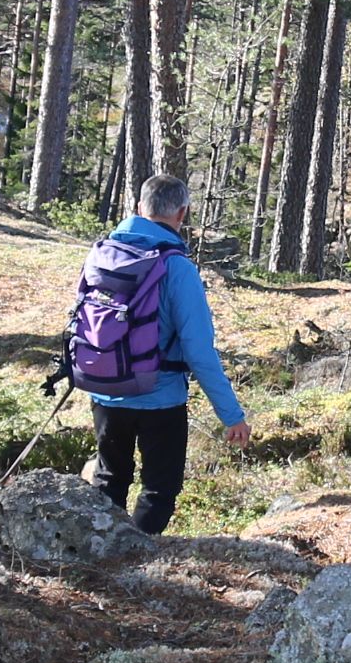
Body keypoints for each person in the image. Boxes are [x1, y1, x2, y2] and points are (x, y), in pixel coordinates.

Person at [64, 171, 250, 534]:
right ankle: (133, 558)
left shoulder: (101, 255)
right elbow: (199, 350)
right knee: (160, 489)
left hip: (106, 390)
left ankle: (102, 551)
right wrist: (232, 415)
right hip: (160, 397)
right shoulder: (178, 268)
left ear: (138, 208)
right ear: (181, 214)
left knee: (109, 478)